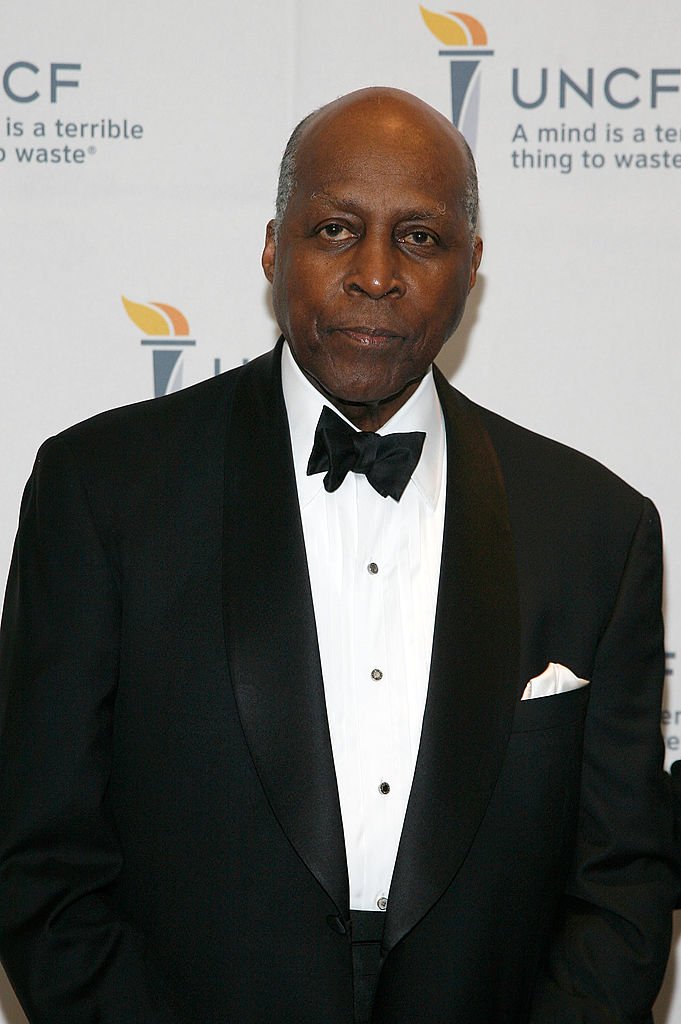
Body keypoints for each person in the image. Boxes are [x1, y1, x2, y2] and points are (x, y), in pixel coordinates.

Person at [0, 86, 677, 1024]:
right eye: (333, 230)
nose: (373, 274)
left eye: (419, 238)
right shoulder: (100, 491)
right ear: (273, 247)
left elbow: (623, 884)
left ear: (471, 266)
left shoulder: (597, 529)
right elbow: (41, 858)